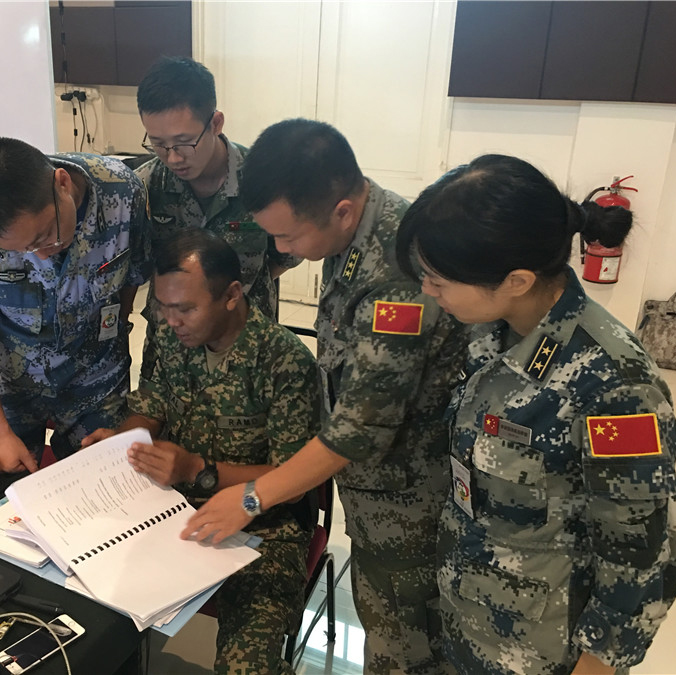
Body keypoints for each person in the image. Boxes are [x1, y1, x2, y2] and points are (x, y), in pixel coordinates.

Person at [183, 119, 468, 675]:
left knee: (404, 651)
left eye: (288, 237)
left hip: (410, 504)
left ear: (341, 210)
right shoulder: (351, 235)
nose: (280, 250)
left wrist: (251, 498)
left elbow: (358, 429)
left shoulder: (397, 276)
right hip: (374, 495)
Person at [394, 154, 676, 675]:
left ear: (517, 280)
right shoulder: (490, 332)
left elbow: (641, 559)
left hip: (539, 654)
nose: (427, 292)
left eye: (438, 280)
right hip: (468, 619)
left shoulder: (614, 386)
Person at [82, 228, 320, 675]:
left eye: (186, 308)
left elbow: (292, 481)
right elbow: (153, 401)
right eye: (163, 307)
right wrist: (123, 442)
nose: (172, 321)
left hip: (263, 528)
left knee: (246, 667)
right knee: (83, 614)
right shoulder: (172, 334)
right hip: (171, 508)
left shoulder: (284, 362)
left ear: (231, 295)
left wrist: (197, 469)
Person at [0, 137, 151, 473]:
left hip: (95, 376)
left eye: (46, 234)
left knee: (106, 484)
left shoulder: (121, 191)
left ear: (62, 183)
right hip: (5, 384)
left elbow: (132, 277)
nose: (44, 254)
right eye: (21, 250)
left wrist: (115, 330)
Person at [134, 56, 300, 335]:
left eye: (185, 142)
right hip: (172, 339)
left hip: (245, 336)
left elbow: (286, 256)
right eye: (158, 144)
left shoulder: (264, 180)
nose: (173, 158)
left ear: (215, 123)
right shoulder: (145, 186)